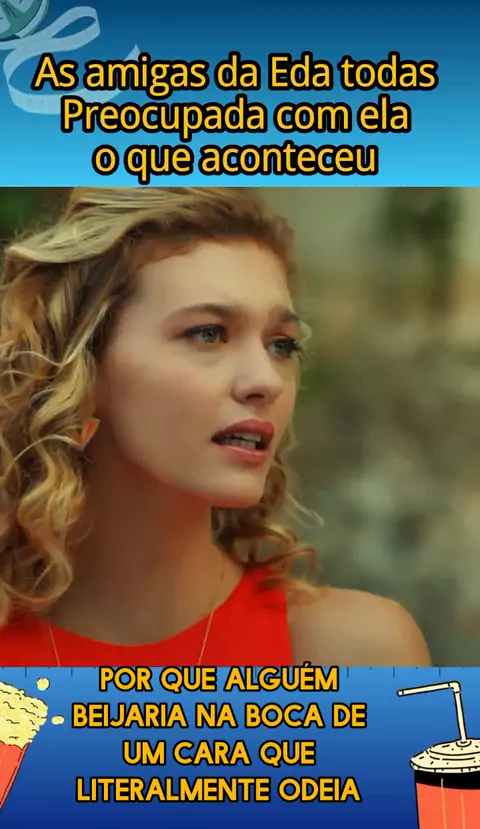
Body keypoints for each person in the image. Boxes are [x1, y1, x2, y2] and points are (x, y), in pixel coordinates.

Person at [0, 187, 431, 666]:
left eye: (281, 345)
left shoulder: (358, 652)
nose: (267, 380)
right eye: (208, 333)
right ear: (84, 366)